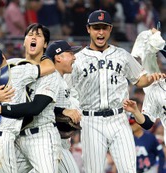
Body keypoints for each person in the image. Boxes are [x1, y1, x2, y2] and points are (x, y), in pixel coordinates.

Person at [66, 9, 166, 172]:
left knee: (129, 168)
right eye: (96, 27)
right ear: (88, 29)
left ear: (110, 29)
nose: (100, 32)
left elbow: (139, 79)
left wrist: (150, 78)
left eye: (104, 27)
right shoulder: (78, 60)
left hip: (119, 119)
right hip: (91, 120)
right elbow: (66, 90)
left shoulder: (121, 54)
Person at [0, 23, 62, 173]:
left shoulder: (51, 74)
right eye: (30, 35)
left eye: (38, 36)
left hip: (40, 135)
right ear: (24, 41)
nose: (33, 37)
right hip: (15, 137)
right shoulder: (12, 64)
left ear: (45, 44)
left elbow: (36, 107)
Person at [45, 40, 81, 173]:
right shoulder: (51, 79)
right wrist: (63, 111)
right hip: (51, 142)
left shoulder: (61, 80)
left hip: (59, 142)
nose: (74, 57)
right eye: (70, 54)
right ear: (58, 57)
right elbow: (42, 109)